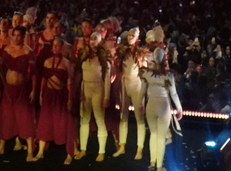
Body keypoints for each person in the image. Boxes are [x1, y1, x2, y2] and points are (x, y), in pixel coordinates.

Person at [0, 26, 36, 160]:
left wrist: (33, 90)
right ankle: (1, 147)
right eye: (14, 35)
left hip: (21, 89)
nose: (16, 38)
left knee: (24, 118)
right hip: (8, 89)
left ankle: (30, 152)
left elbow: (34, 73)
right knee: (6, 117)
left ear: (23, 36)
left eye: (18, 35)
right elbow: (2, 65)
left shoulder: (28, 51)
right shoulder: (7, 49)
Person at [33, 36, 76, 164]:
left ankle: (69, 153)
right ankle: (40, 151)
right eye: (54, 46)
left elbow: (69, 82)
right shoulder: (47, 62)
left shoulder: (66, 63)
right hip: (48, 95)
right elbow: (44, 79)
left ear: (62, 47)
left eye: (58, 46)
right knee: (45, 122)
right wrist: (40, 94)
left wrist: (69, 99)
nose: (55, 48)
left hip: (61, 96)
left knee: (64, 122)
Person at [73, 30, 111, 162]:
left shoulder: (104, 59)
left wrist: (106, 96)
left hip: (98, 90)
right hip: (86, 90)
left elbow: (106, 79)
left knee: (100, 120)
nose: (93, 41)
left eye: (96, 39)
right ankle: (83, 149)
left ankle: (101, 151)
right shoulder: (84, 56)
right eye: (91, 39)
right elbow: (80, 75)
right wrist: (79, 93)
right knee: (84, 120)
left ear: (100, 41)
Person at [142, 47, 182, 171]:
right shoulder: (168, 76)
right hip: (164, 107)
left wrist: (140, 105)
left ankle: (152, 163)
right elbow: (173, 94)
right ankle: (159, 166)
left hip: (150, 106)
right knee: (160, 137)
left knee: (153, 135)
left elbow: (142, 92)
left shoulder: (147, 74)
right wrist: (179, 108)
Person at [114, 27, 147, 160]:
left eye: (133, 35)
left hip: (136, 85)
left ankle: (139, 148)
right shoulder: (122, 51)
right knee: (123, 117)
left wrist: (143, 91)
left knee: (139, 118)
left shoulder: (140, 53)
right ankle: (122, 147)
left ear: (137, 38)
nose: (130, 36)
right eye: (129, 35)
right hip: (124, 83)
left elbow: (144, 72)